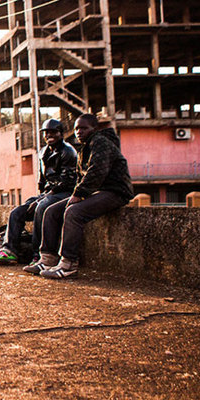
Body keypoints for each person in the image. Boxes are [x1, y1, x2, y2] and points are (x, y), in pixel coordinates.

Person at [25, 113, 133, 279]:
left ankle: (69, 264)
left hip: (115, 192)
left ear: (94, 128)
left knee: (74, 212)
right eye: (76, 129)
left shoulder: (101, 142)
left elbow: (97, 171)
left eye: (83, 128)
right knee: (51, 211)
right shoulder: (85, 148)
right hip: (96, 192)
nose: (79, 132)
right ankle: (47, 259)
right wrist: (78, 193)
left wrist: (79, 194)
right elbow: (80, 177)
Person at [0, 118, 78, 265]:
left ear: (61, 133)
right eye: (46, 133)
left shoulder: (68, 151)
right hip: (48, 193)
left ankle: (38, 255)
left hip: (64, 192)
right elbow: (42, 180)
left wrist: (43, 198)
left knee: (41, 208)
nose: (49, 135)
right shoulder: (43, 152)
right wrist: (40, 196)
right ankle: (9, 250)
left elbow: (67, 181)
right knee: (17, 212)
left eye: (53, 132)